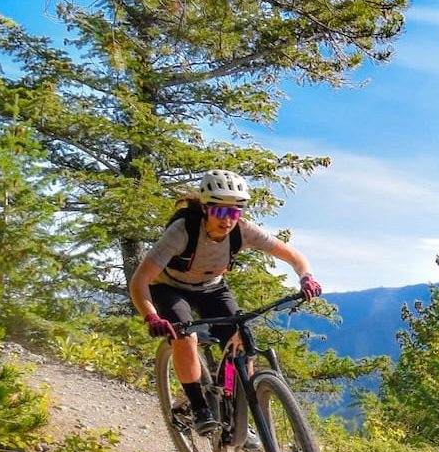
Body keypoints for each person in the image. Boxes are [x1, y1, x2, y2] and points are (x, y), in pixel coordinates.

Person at [129, 169, 323, 435]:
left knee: (241, 342)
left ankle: (240, 414)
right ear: (206, 208)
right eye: (220, 212)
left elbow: (293, 256)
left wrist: (306, 277)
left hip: (212, 288)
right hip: (170, 288)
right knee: (185, 336)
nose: (227, 220)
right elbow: (140, 281)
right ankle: (199, 408)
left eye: (234, 212)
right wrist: (151, 316)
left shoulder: (243, 231)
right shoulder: (182, 231)